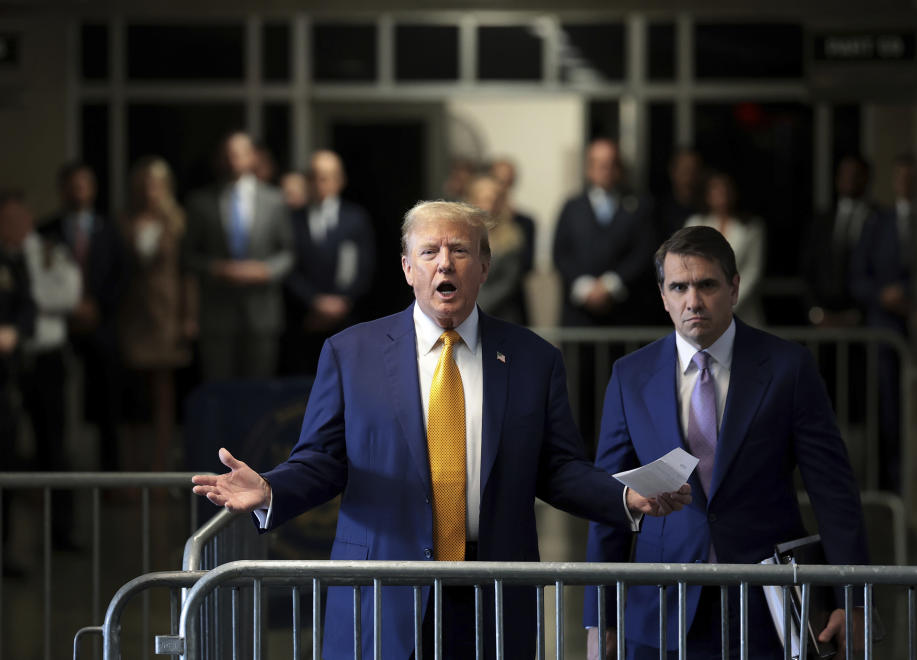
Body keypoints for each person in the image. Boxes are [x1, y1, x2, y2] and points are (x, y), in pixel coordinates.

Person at [193, 200, 691, 660]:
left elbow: (558, 468)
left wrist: (624, 499)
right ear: (408, 268)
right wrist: (271, 489)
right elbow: (322, 460)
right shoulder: (351, 353)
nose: (444, 264)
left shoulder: (534, 359)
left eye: (459, 250)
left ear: (485, 266)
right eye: (429, 251)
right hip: (382, 591)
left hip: (493, 591)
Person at [584, 226, 869, 659]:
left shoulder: (788, 368)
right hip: (661, 608)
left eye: (707, 285)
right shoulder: (630, 376)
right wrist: (599, 616)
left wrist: (853, 601)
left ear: (734, 288)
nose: (692, 301)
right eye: (678, 287)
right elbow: (610, 502)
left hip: (766, 605)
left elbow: (833, 492)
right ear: (663, 295)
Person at [182, 131, 294, 382]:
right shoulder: (200, 202)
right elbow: (187, 255)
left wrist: (266, 271)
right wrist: (215, 268)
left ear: (253, 157)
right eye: (228, 154)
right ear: (220, 159)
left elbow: (288, 252)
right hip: (217, 313)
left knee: (259, 390)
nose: (234, 160)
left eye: (241, 153)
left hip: (262, 311)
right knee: (219, 389)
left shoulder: (274, 199)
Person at [40, 162, 126, 470]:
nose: (78, 191)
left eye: (84, 184)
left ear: (93, 189)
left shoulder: (110, 229)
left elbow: (120, 276)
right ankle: (53, 471)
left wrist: (98, 308)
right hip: (58, 328)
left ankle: (110, 474)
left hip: (100, 325)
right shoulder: (46, 230)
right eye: (72, 185)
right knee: (53, 405)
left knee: (107, 406)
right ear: (62, 189)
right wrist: (68, 308)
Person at [8, 191, 81, 546]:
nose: (12, 227)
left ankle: (62, 533)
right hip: (8, 363)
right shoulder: (5, 259)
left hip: (46, 358)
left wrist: (29, 303)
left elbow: (68, 296)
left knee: (54, 445)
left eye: (17, 219)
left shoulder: (50, 251)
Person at [117, 157, 196, 470]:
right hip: (133, 316)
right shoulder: (124, 221)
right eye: (146, 185)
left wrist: (189, 316)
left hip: (167, 315)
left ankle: (160, 469)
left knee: (164, 396)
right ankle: (133, 471)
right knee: (135, 400)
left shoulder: (178, 223)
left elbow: (188, 274)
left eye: (157, 185)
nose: (151, 191)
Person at [848, 154, 917, 491]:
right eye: (901, 176)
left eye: (912, 177)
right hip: (886, 329)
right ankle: (893, 483)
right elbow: (858, 277)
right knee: (889, 410)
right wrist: (882, 296)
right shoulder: (880, 222)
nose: (906, 183)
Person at [282, 149, 376, 374]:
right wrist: (314, 302)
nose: (320, 182)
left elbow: (365, 267)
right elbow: (288, 267)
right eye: (314, 176)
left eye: (327, 176)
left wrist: (341, 303)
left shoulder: (356, 219)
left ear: (340, 180)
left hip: (347, 319)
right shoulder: (291, 220)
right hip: (304, 319)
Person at [552, 137, 659, 327]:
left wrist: (611, 284)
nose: (606, 169)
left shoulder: (640, 206)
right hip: (579, 318)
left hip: (625, 316)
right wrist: (584, 288)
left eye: (611, 163)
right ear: (589, 168)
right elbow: (560, 253)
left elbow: (644, 251)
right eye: (600, 164)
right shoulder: (572, 207)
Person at [0, 190, 37, 574]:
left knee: (7, 462)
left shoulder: (17, 260)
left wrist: (14, 332)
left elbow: (28, 309)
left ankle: (5, 548)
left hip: (5, 379)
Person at [803, 154, 877, 327]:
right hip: (823, 320)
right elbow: (808, 269)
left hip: (865, 324)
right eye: (845, 173)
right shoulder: (821, 221)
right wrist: (816, 312)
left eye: (856, 174)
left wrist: (859, 315)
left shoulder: (878, 219)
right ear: (837, 178)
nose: (850, 179)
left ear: (866, 178)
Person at [685, 172, 765, 326]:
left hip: (742, 312)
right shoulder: (694, 223)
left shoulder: (751, 227)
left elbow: (753, 272)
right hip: (701, 311)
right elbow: (686, 266)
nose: (721, 194)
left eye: (725, 189)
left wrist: (728, 304)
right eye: (716, 190)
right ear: (707, 195)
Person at [465, 174, 528, 325]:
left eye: (494, 200)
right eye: (484, 199)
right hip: (463, 317)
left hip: (499, 318)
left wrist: (473, 307)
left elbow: (506, 284)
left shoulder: (512, 237)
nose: (489, 206)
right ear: (473, 201)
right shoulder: (460, 234)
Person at [656, 147, 704, 243]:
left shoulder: (706, 210)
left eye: (694, 171)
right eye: (685, 171)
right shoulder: (658, 212)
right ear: (673, 172)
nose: (690, 178)